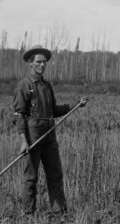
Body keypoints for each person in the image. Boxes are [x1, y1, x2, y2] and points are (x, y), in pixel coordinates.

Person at [13, 45, 87, 215]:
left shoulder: (47, 86)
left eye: (44, 62)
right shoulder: (24, 86)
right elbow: (19, 115)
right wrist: (24, 141)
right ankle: (28, 214)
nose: (42, 65)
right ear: (30, 64)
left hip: (49, 135)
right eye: (38, 62)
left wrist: (75, 105)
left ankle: (58, 212)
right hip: (33, 137)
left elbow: (54, 111)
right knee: (31, 177)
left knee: (55, 174)